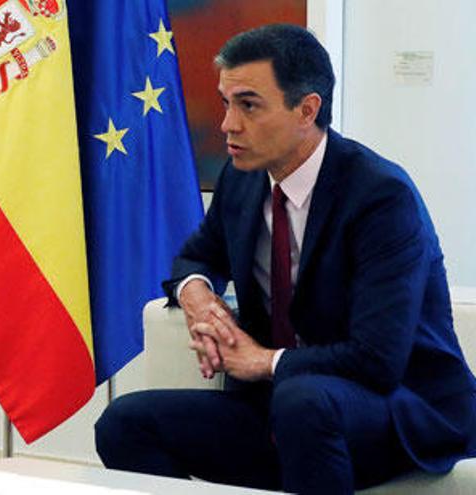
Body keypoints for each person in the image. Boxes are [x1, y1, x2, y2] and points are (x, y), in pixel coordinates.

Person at [95, 24, 476, 494]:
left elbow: (378, 359)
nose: (228, 125)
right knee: (124, 422)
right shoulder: (243, 179)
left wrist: (263, 361)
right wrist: (197, 297)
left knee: (303, 401)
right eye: (226, 103)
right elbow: (195, 257)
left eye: (249, 105)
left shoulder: (381, 197)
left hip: (397, 408)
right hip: (284, 408)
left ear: (307, 109)